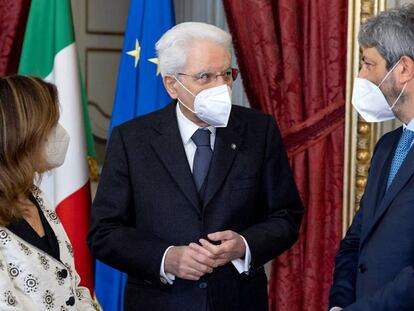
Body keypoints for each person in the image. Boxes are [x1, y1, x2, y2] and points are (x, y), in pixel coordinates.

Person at [88, 22, 303, 311]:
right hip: (159, 302)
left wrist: (244, 245)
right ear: (172, 85)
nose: (221, 87)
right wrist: (166, 258)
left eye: (226, 75)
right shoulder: (132, 139)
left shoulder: (258, 131)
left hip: (237, 301)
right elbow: (105, 232)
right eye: (205, 77)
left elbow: (285, 216)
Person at [329, 5, 414, 311]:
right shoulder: (388, 146)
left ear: (402, 69)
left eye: (367, 64)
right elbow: (356, 241)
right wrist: (340, 304)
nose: (361, 76)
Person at [0, 75, 96, 310]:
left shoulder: (35, 196)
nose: (60, 133)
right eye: (51, 123)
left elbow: (71, 285)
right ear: (22, 132)